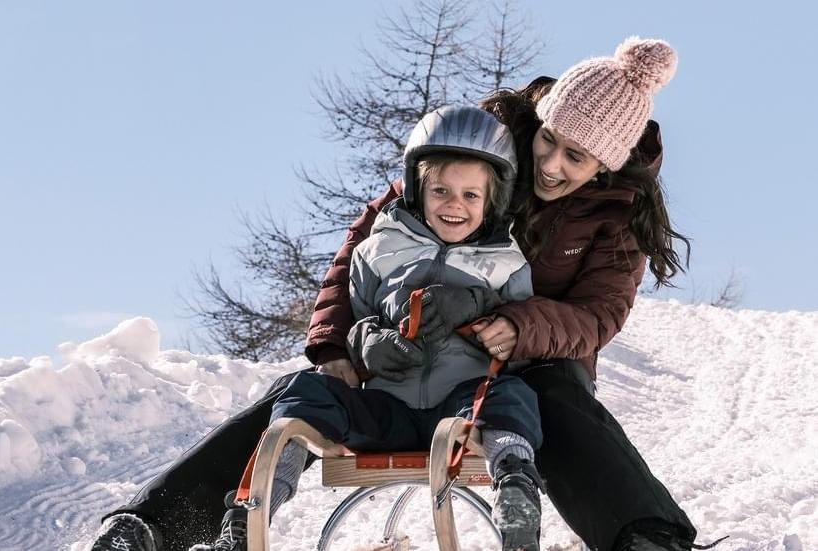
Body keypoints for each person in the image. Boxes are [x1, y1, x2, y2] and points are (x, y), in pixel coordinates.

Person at [91, 37, 703, 551]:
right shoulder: (473, 157)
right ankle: (152, 526)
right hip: (403, 352)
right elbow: (361, 248)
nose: (551, 164)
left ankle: (647, 537)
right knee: (299, 397)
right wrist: (333, 344)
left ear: (607, 165)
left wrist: (523, 325)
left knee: (556, 395)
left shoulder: (617, 215)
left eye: (577, 157)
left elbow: (600, 313)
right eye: (548, 141)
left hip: (513, 367)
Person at [188, 104, 545, 551]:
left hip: (463, 411)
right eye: (441, 191)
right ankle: (247, 517)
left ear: (492, 199)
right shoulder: (378, 249)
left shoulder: (507, 264)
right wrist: (367, 342)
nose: (455, 205)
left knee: (513, 396)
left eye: (471, 195)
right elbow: (357, 319)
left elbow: (524, 345)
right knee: (304, 389)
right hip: (386, 408)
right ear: (417, 189)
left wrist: (483, 315)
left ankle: (515, 488)